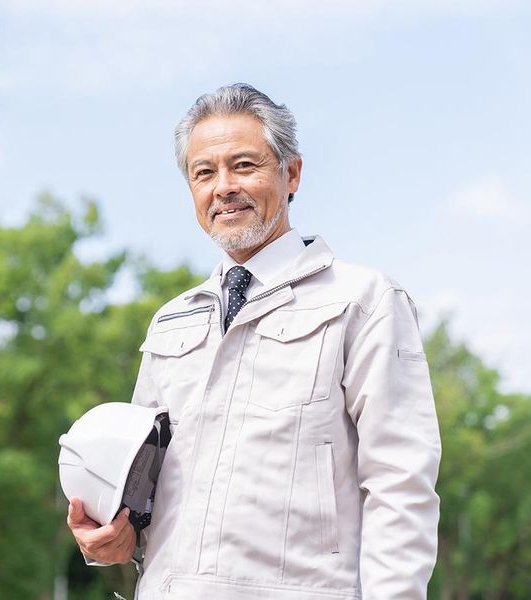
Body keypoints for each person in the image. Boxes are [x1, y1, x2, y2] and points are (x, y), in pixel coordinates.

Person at [67, 83, 441, 600]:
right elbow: (142, 489)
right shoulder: (172, 322)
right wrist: (114, 538)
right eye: (204, 173)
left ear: (291, 174)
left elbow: (401, 482)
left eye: (243, 165)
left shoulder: (363, 300)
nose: (223, 187)